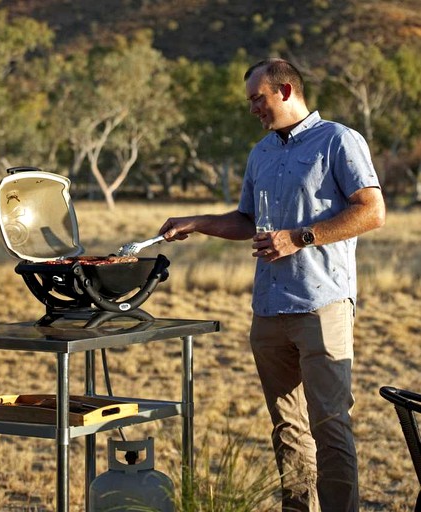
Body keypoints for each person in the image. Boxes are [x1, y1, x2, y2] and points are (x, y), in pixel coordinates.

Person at [158, 58, 386, 511]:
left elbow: (372, 211)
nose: (252, 109)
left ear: (284, 91)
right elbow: (247, 221)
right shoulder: (261, 153)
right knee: (287, 428)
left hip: (322, 305)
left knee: (330, 425)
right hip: (269, 309)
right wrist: (198, 221)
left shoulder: (339, 141)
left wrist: (300, 237)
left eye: (257, 99)